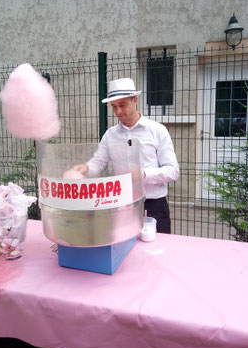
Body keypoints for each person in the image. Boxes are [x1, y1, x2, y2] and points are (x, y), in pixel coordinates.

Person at [74, 78, 179, 234]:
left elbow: (173, 170)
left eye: (122, 105)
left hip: (154, 205)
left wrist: (143, 174)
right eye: (114, 107)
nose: (118, 112)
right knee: (124, 251)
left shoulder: (157, 130)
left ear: (135, 100)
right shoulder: (110, 135)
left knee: (156, 251)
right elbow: (99, 162)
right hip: (122, 204)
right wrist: (86, 168)